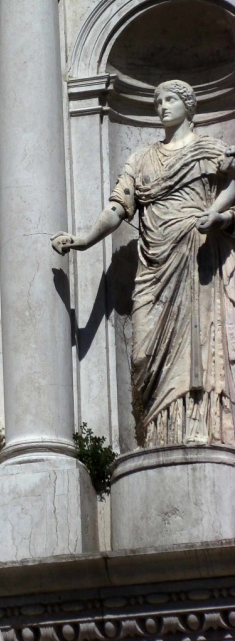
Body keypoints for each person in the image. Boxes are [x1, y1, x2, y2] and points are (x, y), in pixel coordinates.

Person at [52, 80, 235, 447]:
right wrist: (86, 239)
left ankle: (201, 428)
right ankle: (154, 433)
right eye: (157, 101)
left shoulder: (211, 151)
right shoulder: (140, 159)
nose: (162, 107)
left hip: (196, 256)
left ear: (189, 105)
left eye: (170, 100)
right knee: (143, 353)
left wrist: (217, 216)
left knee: (199, 345)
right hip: (154, 264)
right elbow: (118, 208)